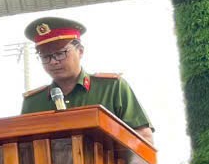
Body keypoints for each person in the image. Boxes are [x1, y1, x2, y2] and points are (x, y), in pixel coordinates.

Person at [20, 16, 154, 143]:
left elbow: (144, 138)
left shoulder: (112, 88)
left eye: (60, 53)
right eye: (45, 56)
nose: (53, 62)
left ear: (80, 51)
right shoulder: (33, 103)